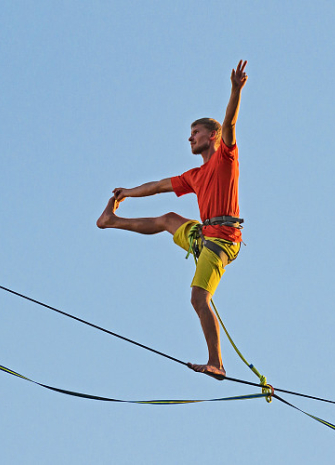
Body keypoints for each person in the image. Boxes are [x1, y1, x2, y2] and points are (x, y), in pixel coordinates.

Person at [96, 60, 248, 379]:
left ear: (212, 136)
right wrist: (126, 193)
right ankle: (111, 221)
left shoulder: (225, 159)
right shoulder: (194, 175)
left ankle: (217, 363)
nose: (190, 139)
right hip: (204, 233)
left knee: (198, 296)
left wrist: (234, 91)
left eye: (195, 133)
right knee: (168, 219)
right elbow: (158, 186)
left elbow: (230, 123)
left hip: (222, 241)